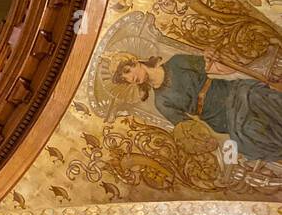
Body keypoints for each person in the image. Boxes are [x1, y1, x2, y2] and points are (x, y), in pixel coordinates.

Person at [107, 51, 282, 161]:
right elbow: (188, 129)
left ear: (135, 61)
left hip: (233, 93)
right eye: (125, 79)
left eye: (127, 71)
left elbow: (217, 68)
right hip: (224, 119)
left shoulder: (177, 62)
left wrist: (216, 57)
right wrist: (199, 141)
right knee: (254, 135)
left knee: (266, 101)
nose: (130, 78)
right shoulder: (161, 102)